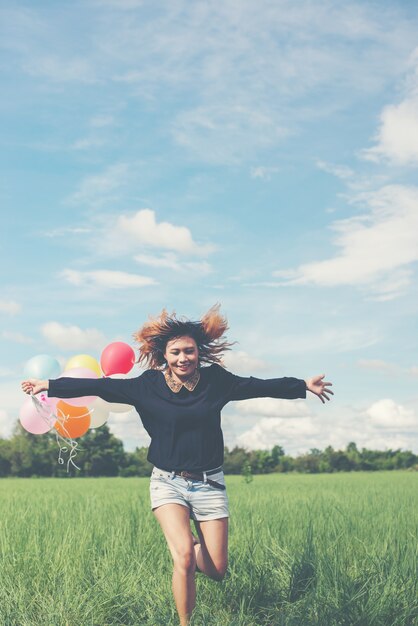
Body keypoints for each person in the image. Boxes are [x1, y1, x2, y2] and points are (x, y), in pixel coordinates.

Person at [21, 304, 333, 626]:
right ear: (164, 355)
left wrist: (301, 386)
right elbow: (100, 386)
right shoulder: (146, 386)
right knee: (182, 555)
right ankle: (185, 622)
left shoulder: (217, 381)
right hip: (167, 482)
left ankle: (196, 548)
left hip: (210, 483)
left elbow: (257, 386)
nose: (183, 358)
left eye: (189, 351)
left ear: (199, 353)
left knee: (216, 570)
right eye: (176, 352)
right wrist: (50, 385)